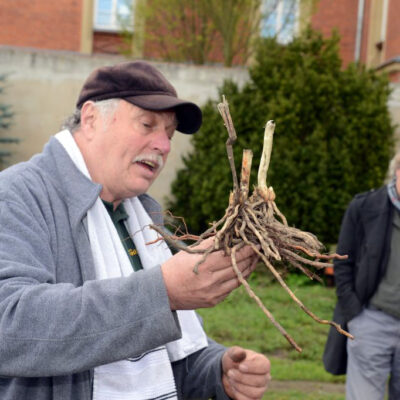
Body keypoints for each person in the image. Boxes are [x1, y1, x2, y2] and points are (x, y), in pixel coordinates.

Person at [0, 61, 271, 400]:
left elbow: (168, 356)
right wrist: (162, 292)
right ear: (91, 119)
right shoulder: (17, 195)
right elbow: (8, 327)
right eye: (147, 125)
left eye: (169, 134)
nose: (164, 145)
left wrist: (217, 372)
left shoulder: (145, 215)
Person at [323, 152, 400, 399]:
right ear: (397, 172)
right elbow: (343, 263)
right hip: (372, 322)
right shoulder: (365, 207)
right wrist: (355, 313)